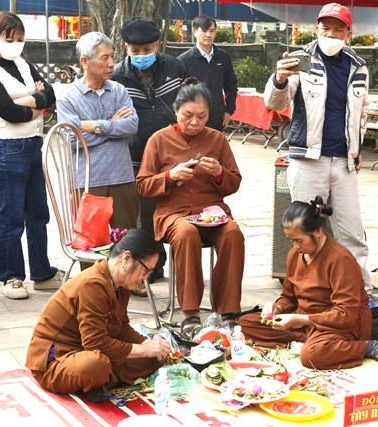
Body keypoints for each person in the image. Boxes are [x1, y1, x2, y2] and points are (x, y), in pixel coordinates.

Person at [264, 3, 378, 302]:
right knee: (305, 230)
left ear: (348, 33)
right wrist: (278, 79)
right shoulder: (299, 59)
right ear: (316, 29)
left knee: (351, 231)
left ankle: (359, 292)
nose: (331, 34)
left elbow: (363, 109)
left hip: (343, 162)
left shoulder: (358, 65)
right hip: (307, 158)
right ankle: (307, 292)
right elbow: (275, 102)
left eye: (338, 29)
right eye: (325, 28)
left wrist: (357, 145)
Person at [136, 78, 245, 339]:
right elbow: (142, 185)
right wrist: (170, 177)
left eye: (202, 116)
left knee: (232, 233)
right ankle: (190, 313)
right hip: (173, 215)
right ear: (176, 111)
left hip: (212, 212)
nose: (195, 122)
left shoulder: (217, 139)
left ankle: (228, 312)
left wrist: (219, 173)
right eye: (188, 116)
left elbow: (234, 182)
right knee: (186, 233)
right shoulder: (159, 140)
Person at [238, 197, 378, 370]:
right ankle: (309, 340)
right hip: (305, 320)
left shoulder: (340, 259)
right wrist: (277, 308)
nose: (296, 246)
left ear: (318, 232)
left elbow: (345, 315)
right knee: (246, 323)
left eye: (300, 241)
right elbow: (288, 297)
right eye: (291, 240)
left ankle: (365, 347)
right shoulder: (294, 255)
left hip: (338, 324)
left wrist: (302, 319)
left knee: (311, 356)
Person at [0, 12, 63, 299]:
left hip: (33, 144)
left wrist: (34, 102)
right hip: (7, 149)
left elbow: (50, 95)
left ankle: (41, 271)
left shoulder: (23, 64)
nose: (15, 44)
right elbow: (9, 114)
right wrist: (37, 103)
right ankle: (11, 276)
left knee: (38, 212)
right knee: (11, 216)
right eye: (9, 39)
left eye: (20, 39)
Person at [26, 228, 170, 401]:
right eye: (146, 270)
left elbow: (122, 327)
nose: (145, 278)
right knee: (97, 366)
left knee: (154, 359)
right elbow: (95, 343)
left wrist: (148, 344)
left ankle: (100, 381)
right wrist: (144, 350)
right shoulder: (93, 284)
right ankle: (100, 378)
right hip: (57, 360)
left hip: (91, 350)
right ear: (126, 258)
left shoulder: (122, 283)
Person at [112, 17, 188, 291]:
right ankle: (152, 264)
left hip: (173, 154)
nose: (141, 55)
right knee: (144, 211)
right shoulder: (118, 75)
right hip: (136, 154)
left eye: (146, 50)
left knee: (169, 208)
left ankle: (170, 259)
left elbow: (188, 100)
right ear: (126, 48)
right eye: (135, 51)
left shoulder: (175, 67)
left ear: (156, 45)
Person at [57, 32, 139, 240]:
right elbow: (72, 140)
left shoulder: (119, 90)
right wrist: (113, 124)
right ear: (85, 61)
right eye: (105, 58)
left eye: (113, 56)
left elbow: (131, 125)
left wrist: (96, 126)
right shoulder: (68, 98)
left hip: (122, 176)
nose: (112, 63)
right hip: (87, 180)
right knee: (90, 244)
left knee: (126, 243)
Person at [178, 15, 237, 132]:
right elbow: (178, 92)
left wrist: (229, 111)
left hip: (217, 117)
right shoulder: (184, 60)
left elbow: (231, 85)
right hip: (193, 119)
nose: (208, 35)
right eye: (204, 31)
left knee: (215, 149)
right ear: (194, 31)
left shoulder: (223, 57)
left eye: (212, 31)